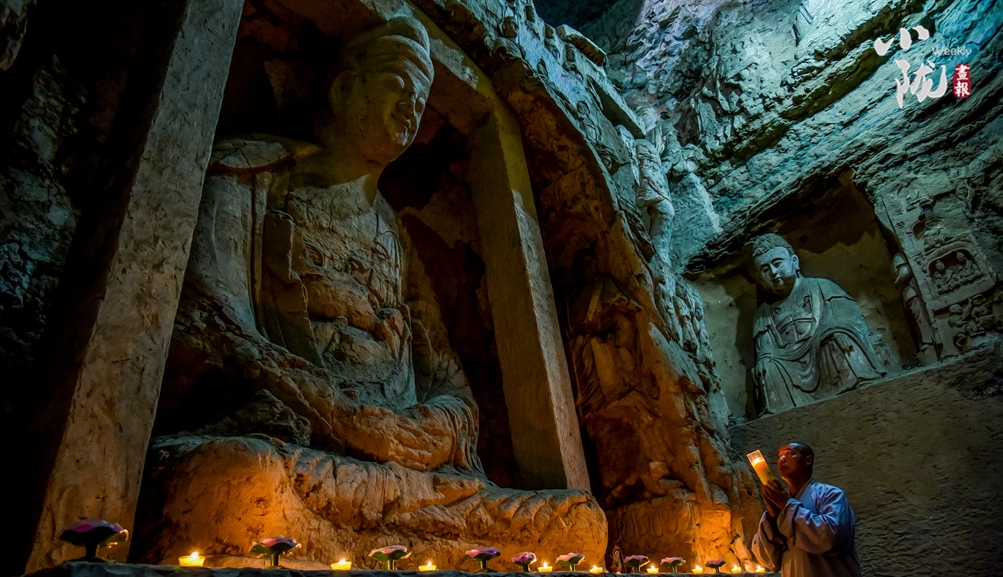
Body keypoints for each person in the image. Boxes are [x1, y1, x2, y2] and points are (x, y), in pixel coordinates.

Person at [136, 16, 606, 568]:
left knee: (579, 521)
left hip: (403, 478)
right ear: (343, 89)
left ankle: (370, 548)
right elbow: (207, 328)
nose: (411, 106)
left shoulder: (397, 239)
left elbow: (448, 382)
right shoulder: (251, 175)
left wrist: (434, 428)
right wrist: (344, 416)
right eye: (398, 85)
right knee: (230, 481)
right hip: (299, 453)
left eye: (421, 98)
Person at [750, 234, 889, 414]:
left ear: (794, 262)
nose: (774, 272)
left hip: (822, 350)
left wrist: (837, 329)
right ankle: (786, 413)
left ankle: (857, 389)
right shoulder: (763, 313)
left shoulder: (822, 287)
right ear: (761, 279)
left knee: (835, 339)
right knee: (768, 367)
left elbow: (846, 316)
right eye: (765, 269)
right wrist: (765, 359)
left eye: (777, 263)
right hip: (788, 363)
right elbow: (765, 348)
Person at [752, 443, 862, 577]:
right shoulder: (780, 506)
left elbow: (831, 538)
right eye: (778, 457)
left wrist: (787, 505)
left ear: (808, 460)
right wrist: (773, 518)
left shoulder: (829, 494)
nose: (781, 460)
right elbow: (769, 560)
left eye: (788, 454)